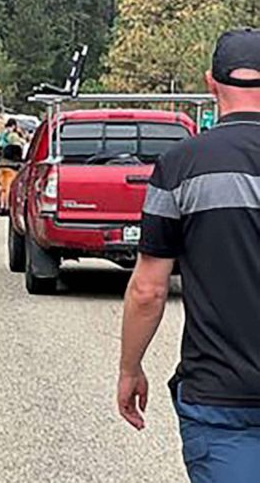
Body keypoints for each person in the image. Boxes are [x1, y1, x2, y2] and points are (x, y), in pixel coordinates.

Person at [117, 28, 260, 483]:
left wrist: (130, 368)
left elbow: (148, 290)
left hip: (220, 397)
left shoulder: (182, 166)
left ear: (211, 83)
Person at [0, 119, 25, 214]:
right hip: (11, 166)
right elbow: (19, 152)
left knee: (1, 186)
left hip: (1, 164)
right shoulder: (14, 137)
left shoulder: (2, 135)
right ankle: (7, 206)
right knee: (8, 187)